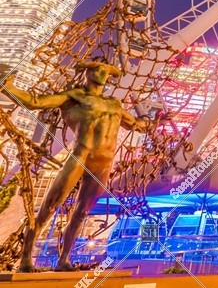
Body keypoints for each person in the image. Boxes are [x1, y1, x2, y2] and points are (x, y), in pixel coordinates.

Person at [2, 60, 158, 271]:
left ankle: (64, 259)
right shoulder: (73, 97)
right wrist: (8, 87)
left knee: (82, 212)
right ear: (87, 72)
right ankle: (26, 258)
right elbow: (34, 101)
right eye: (98, 69)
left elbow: (136, 125)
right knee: (50, 206)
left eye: (106, 71)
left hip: (104, 162)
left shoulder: (114, 104)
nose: (103, 74)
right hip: (81, 156)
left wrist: (154, 121)